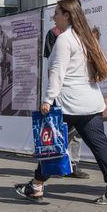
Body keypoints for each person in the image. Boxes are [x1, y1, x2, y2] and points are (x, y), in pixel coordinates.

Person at [14, 0, 107, 205]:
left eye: (57, 12)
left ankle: (36, 186)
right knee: (100, 144)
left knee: (52, 145)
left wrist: (48, 99)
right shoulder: (87, 37)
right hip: (91, 103)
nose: (53, 16)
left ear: (67, 15)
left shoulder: (65, 39)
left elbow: (57, 73)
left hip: (68, 103)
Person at [43, 26, 90, 179]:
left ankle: (73, 164)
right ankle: (55, 164)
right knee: (61, 129)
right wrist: (52, 93)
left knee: (76, 131)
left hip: (79, 89)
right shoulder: (54, 33)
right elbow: (52, 64)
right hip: (62, 89)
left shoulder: (82, 32)